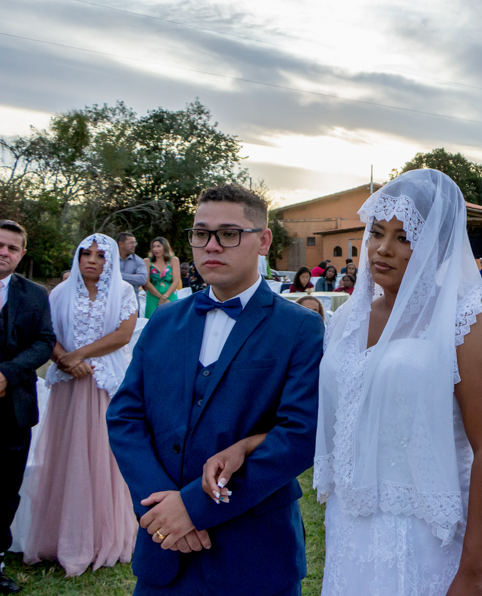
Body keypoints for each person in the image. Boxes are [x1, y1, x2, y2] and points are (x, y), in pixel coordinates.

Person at [107, 183, 323, 596]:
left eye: (228, 233)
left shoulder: (299, 327)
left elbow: (301, 432)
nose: (211, 245)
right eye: (200, 233)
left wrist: (194, 508)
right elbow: (125, 417)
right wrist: (162, 508)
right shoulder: (165, 323)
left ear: (263, 240)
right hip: (165, 548)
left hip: (254, 551)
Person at [313, 169, 482, 595]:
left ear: (438, 249)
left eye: (404, 238)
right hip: (351, 529)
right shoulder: (348, 320)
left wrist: (473, 572)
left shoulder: (466, 326)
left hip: (428, 539)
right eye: (377, 233)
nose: (383, 249)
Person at [21, 234, 139, 577]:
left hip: (103, 384)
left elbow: (123, 335)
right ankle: (60, 538)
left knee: (101, 456)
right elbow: (47, 335)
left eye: (101, 255)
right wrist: (65, 360)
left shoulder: (123, 292)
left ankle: (103, 536)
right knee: (66, 456)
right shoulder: (58, 293)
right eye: (85, 253)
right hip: (69, 386)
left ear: (111, 260)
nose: (91, 260)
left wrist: (81, 355)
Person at [0, 220, 56, 594]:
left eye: (12, 248)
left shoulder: (35, 295)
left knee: (4, 489)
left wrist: (8, 373)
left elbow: (44, 341)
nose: (4, 252)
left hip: (13, 409)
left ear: (21, 255)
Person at [143, 237, 181, 319]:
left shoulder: (174, 260)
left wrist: (165, 297)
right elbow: (147, 283)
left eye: (158, 246)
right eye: (154, 247)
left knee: (171, 322)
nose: (155, 249)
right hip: (153, 298)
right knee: (153, 323)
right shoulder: (147, 261)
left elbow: (176, 281)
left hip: (170, 296)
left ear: (165, 247)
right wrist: (161, 298)